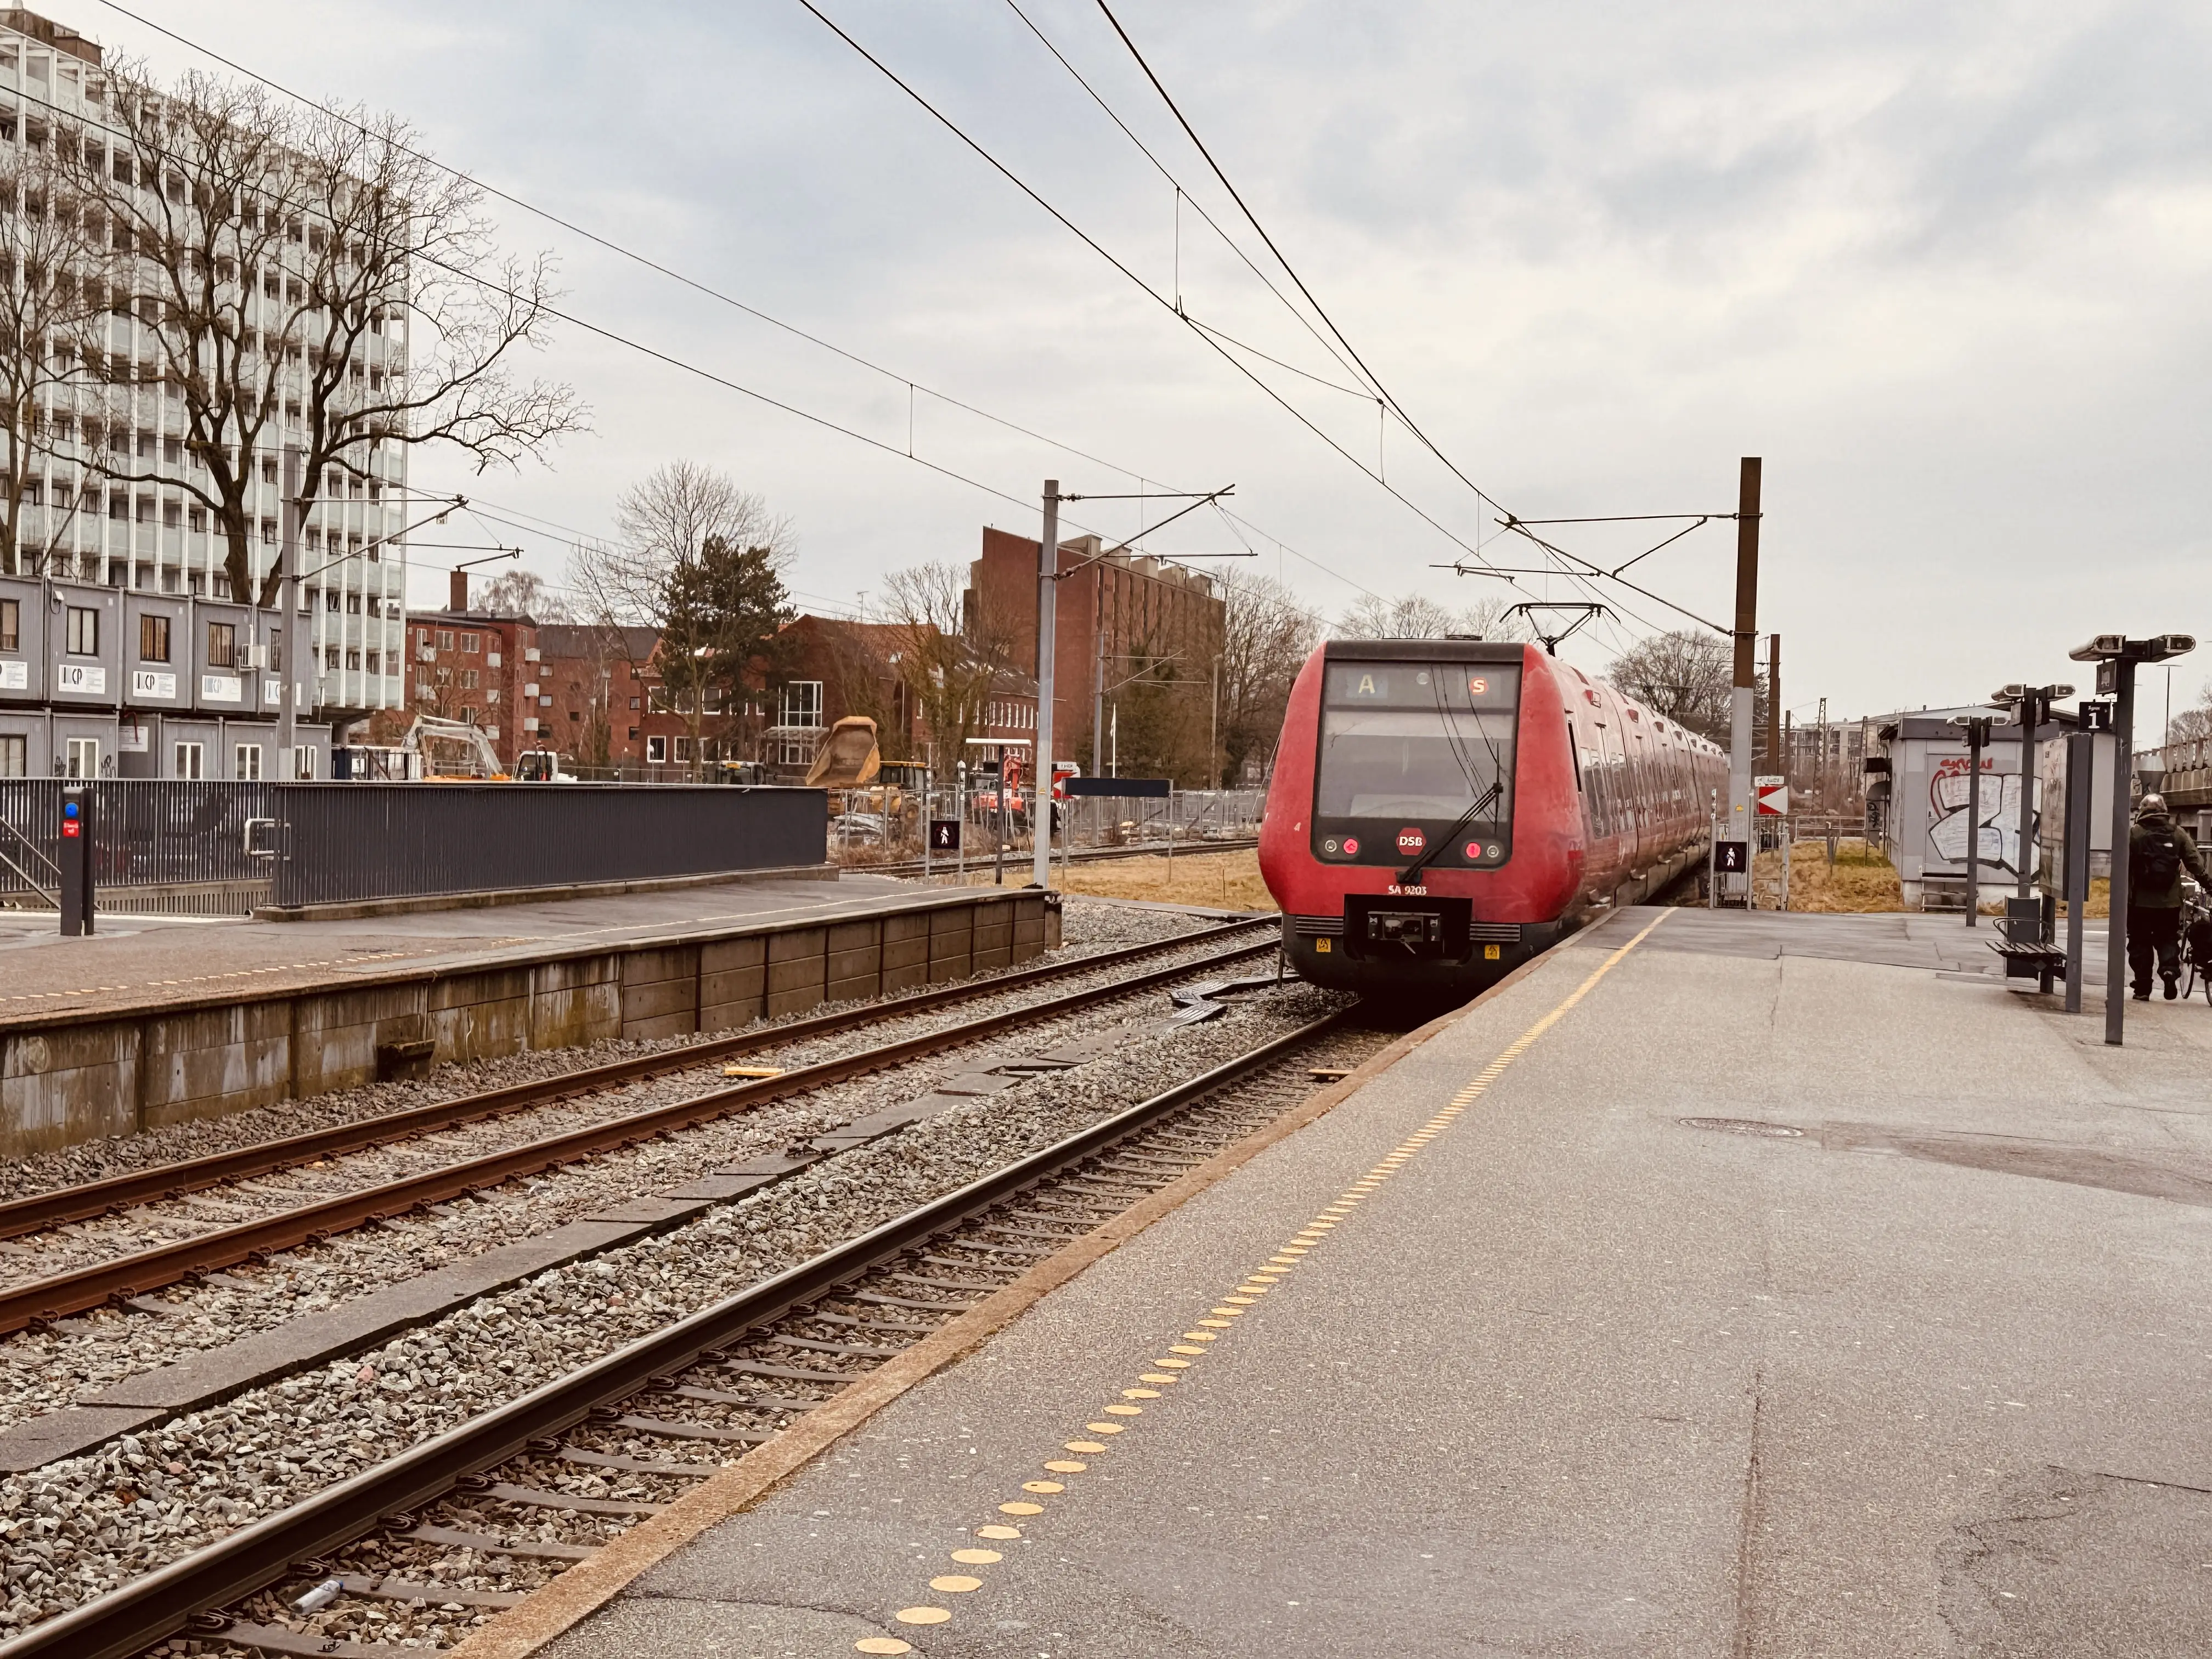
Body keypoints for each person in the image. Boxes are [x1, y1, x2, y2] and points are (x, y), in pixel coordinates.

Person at [2125, 793, 2209, 1000]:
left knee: (2140, 942)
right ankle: (2169, 971)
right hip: (2170, 903)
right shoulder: (2177, 833)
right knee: (2168, 939)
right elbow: (2195, 862)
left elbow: (2121, 863)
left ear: (2142, 811)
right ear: (2164, 810)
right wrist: (2207, 883)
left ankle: (2143, 988)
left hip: (2139, 902)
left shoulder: (2134, 833)